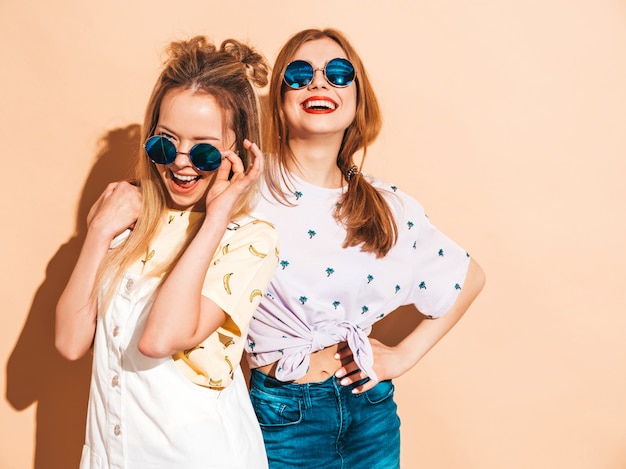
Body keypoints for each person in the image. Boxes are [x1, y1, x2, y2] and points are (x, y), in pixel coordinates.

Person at [245, 28, 486, 468]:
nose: (319, 83)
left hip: (369, 411)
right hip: (282, 415)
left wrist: (403, 355)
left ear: (358, 98)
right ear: (279, 98)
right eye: (299, 74)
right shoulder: (245, 190)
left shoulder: (386, 204)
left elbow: (469, 275)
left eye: (338, 73)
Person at [55, 36, 278, 468]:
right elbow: (68, 342)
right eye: (164, 142)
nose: (179, 162)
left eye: (205, 150)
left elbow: (160, 339)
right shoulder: (125, 217)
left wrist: (215, 216)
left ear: (239, 150)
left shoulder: (248, 238)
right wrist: (99, 231)